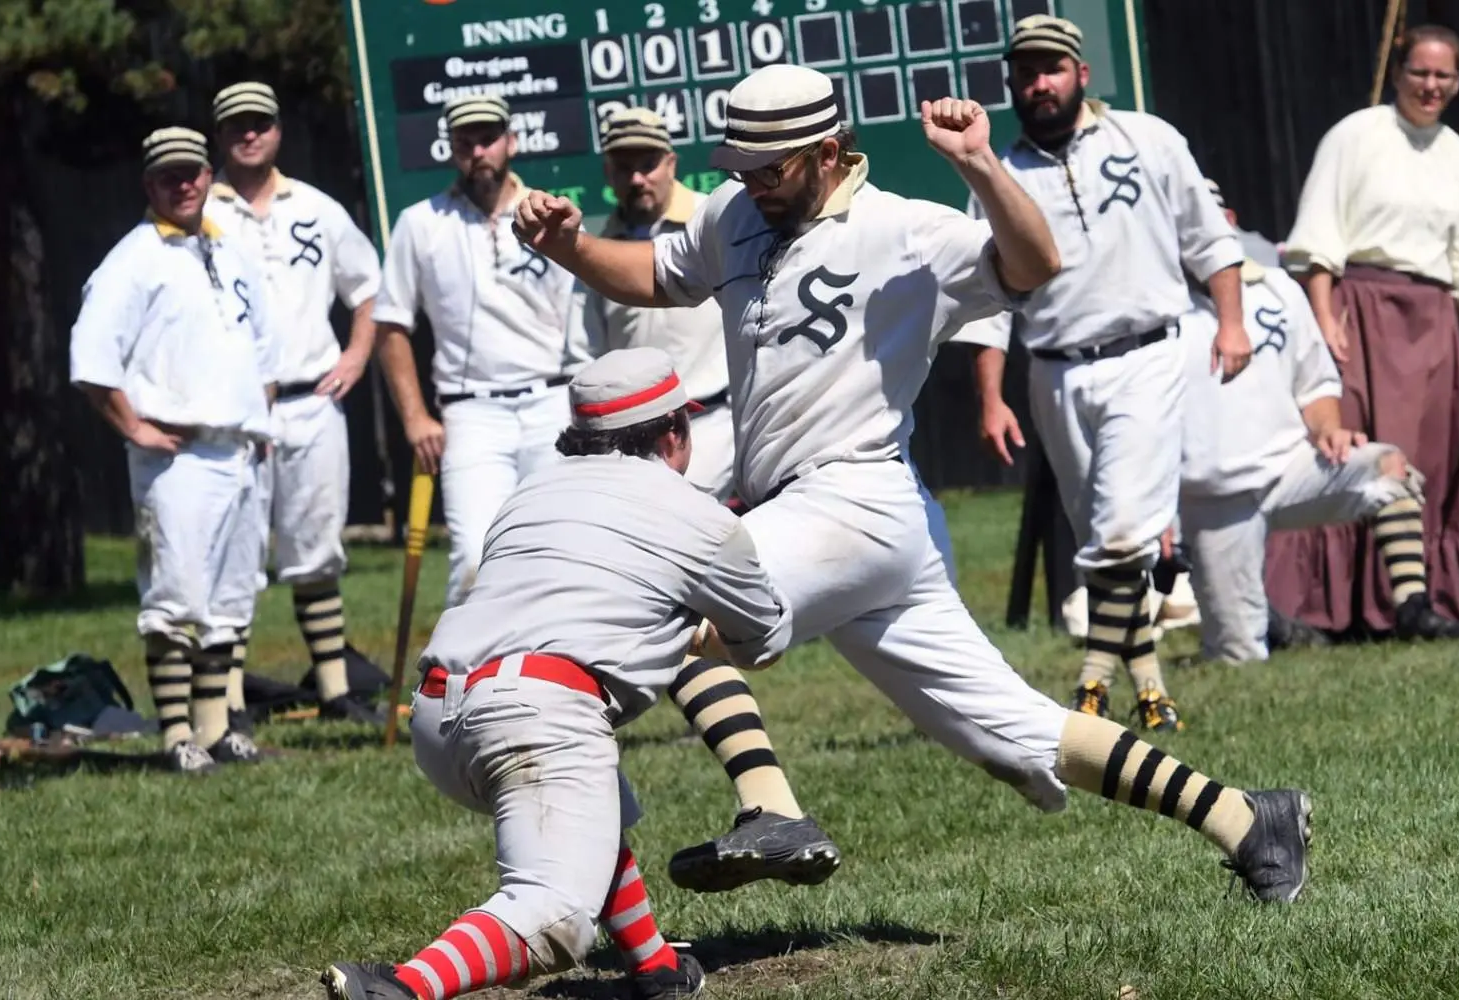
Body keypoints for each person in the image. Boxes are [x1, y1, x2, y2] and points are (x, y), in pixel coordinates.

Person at [516, 63, 1313, 902]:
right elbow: (652, 277)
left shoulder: (905, 232)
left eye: (771, 167)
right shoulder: (735, 212)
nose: (752, 181)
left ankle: (767, 804)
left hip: (852, 499)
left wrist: (978, 163)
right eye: (741, 164)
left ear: (828, 150)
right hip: (838, 522)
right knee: (1020, 734)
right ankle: (1248, 819)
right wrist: (566, 244)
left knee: (678, 601)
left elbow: (1035, 260)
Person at [320, 348, 833, 1000]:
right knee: (559, 917)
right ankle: (401, 988)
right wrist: (695, 629)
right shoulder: (700, 516)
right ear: (674, 432)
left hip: (438, 708)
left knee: (595, 805)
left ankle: (655, 971)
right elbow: (765, 641)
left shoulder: (526, 493)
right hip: (535, 716)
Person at [955, 15, 1251, 731]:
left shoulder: (1146, 138)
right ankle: (1151, 689)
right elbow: (986, 300)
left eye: (1052, 68)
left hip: (1146, 351)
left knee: (1120, 532)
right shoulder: (1001, 173)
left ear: (1082, 74)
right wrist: (992, 396)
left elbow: (1207, 232)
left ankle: (1089, 684)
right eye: (1026, 72)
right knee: (1106, 540)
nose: (1039, 83)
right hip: (1054, 370)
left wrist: (1232, 319)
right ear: (1011, 83)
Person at [1273, 23, 1459, 638]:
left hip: (1433, 323)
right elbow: (1321, 236)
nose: (1430, 86)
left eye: (1444, 76)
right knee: (1352, 449)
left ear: (1457, 82)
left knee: (1428, 454)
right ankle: (1329, 608)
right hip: (1362, 312)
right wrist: (1324, 318)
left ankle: (1417, 601)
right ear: (1398, 72)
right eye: (1420, 72)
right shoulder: (1355, 136)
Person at [69, 127, 278, 772]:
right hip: (178, 453)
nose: (183, 184)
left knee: (229, 599)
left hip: (239, 447)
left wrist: (258, 416)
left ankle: (217, 729)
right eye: (169, 175)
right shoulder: (132, 260)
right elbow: (91, 359)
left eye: (193, 172)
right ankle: (174, 735)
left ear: (209, 173)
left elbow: (263, 344)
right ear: (149, 183)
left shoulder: (229, 247)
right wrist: (134, 428)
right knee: (176, 599)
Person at [1179, 245, 1459, 661]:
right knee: (1239, 653)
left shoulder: (1277, 287)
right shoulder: (1157, 308)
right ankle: (1270, 621)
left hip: (1290, 468)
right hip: (1212, 495)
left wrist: (1330, 429)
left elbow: (1316, 384)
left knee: (1387, 467)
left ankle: (1413, 609)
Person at [206, 81, 385, 722]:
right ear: (220, 136)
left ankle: (336, 690)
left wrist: (357, 356)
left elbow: (369, 287)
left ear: (278, 131)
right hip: (235, 414)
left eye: (259, 123)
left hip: (313, 402)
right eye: (235, 126)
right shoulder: (202, 214)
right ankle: (226, 702)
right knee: (236, 557)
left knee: (316, 549)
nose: (248, 134)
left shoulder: (315, 207)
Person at [375, 93, 591, 606]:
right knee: (475, 558)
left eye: (488, 138)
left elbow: (586, 316)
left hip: (551, 401)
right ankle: (465, 682)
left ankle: (558, 678)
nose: (479, 151)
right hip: (470, 410)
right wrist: (414, 418)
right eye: (466, 141)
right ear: (451, 149)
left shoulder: (549, 212)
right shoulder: (421, 223)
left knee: (561, 553)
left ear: (511, 142)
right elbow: (390, 325)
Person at [574, 108, 736, 499]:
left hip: (714, 417)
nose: (637, 179)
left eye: (648, 165)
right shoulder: (597, 245)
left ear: (670, 162)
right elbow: (585, 349)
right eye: (623, 167)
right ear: (607, 173)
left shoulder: (713, 218)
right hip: (630, 432)